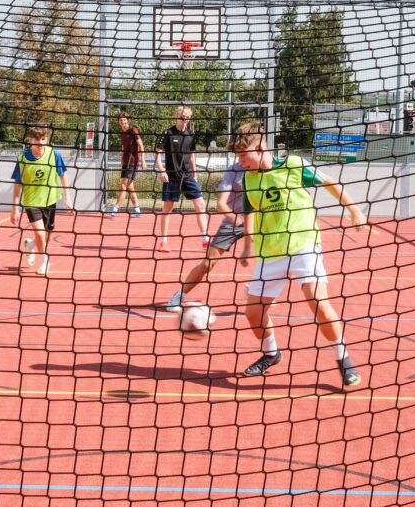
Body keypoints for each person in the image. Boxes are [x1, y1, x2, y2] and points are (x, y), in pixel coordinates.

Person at [228, 121, 369, 389]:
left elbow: (330, 182)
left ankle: (344, 360)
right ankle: (272, 354)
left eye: (243, 156)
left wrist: (355, 211)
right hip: (270, 251)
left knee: (317, 301)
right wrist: (247, 245)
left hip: (304, 244)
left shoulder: (294, 165)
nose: (240, 162)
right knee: (253, 313)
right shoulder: (248, 177)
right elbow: (250, 211)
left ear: (259, 148)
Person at [166, 157, 250, 311]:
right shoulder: (233, 171)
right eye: (239, 152)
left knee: (278, 256)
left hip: (258, 222)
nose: (241, 156)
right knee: (208, 263)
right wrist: (234, 217)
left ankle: (257, 290)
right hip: (233, 223)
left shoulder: (265, 169)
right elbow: (220, 204)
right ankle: (179, 295)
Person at [11, 125, 73, 277]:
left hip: (50, 200)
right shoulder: (22, 159)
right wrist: (15, 208)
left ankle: (30, 244)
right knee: (40, 234)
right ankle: (45, 262)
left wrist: (68, 198)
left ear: (47, 139)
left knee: (46, 236)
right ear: (30, 140)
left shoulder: (53, 154)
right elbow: (17, 184)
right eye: (36, 139)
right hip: (32, 202)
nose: (40, 142)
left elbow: (63, 175)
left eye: (43, 139)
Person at [153, 105, 210, 253]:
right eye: (182, 117)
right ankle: (163, 242)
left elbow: (192, 156)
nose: (184, 120)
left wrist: (195, 175)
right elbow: (158, 155)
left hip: (188, 177)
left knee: (201, 206)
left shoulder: (191, 135)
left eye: (187, 118)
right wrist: (162, 171)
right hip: (171, 177)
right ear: (177, 116)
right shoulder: (167, 133)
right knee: (167, 209)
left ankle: (205, 240)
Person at [106, 111, 144, 217]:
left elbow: (141, 145)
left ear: (128, 120)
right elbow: (123, 149)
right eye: (121, 120)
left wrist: (142, 162)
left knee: (123, 186)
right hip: (126, 163)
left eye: (124, 120)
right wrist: (121, 163)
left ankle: (115, 208)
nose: (122, 121)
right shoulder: (122, 134)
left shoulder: (133, 130)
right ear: (119, 122)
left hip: (133, 162)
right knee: (130, 187)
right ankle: (137, 210)